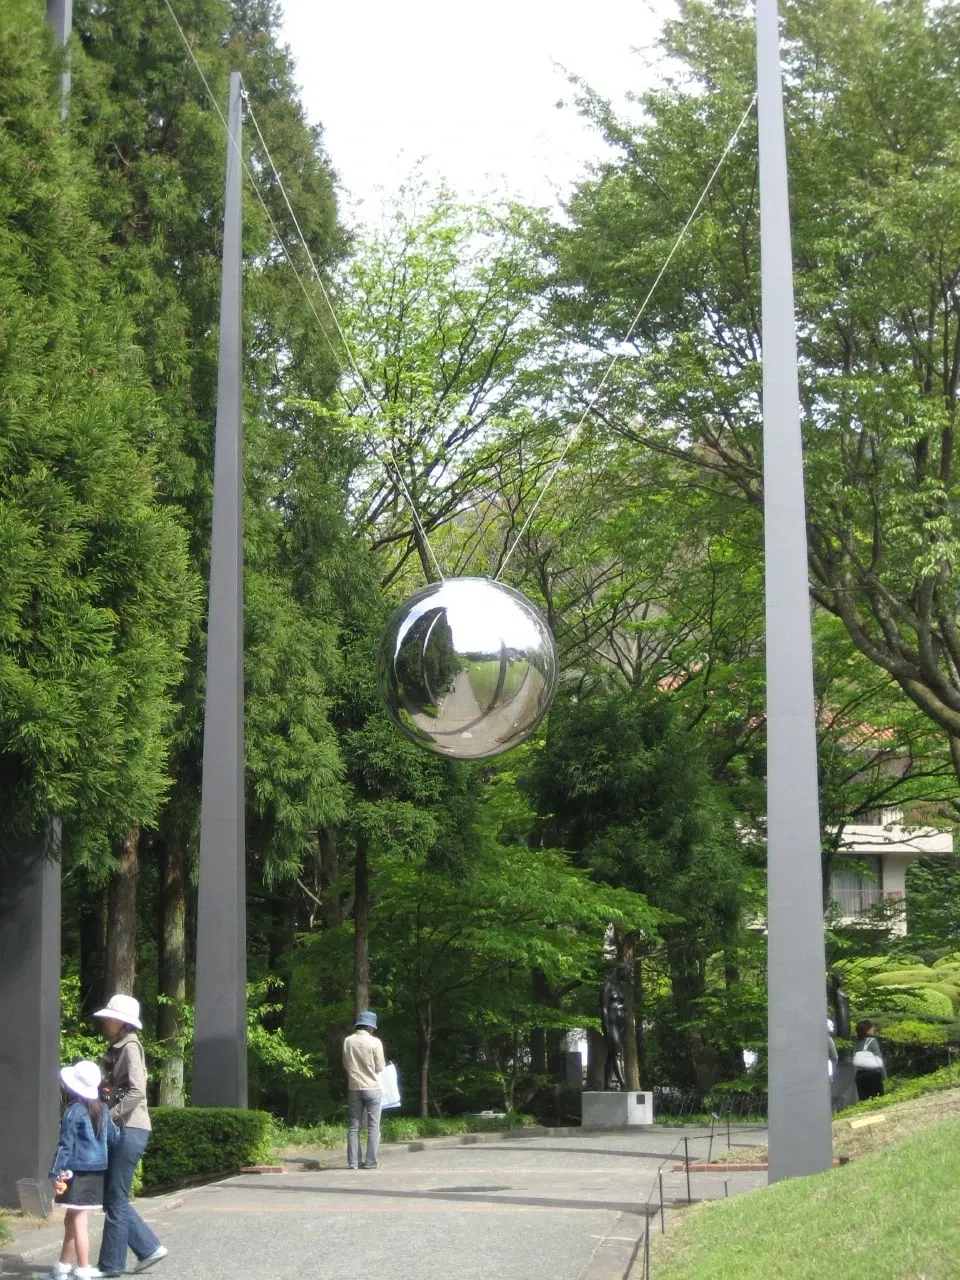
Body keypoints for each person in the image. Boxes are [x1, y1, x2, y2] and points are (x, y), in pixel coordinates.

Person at [94, 994, 168, 1276]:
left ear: (122, 1022)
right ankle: (149, 1248)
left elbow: (137, 1091)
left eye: (109, 1017)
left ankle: (111, 1265)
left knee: (115, 1197)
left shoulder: (130, 1047)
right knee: (113, 1196)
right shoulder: (119, 1046)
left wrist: (108, 1116)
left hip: (130, 1128)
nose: (105, 1021)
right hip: (126, 1128)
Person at [48, 1060, 119, 1280]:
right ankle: (62, 1267)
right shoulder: (103, 1109)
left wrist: (54, 1173)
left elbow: (65, 1146)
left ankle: (83, 1269)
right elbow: (114, 1138)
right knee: (72, 1219)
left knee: (78, 1222)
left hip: (76, 1173)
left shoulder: (74, 1111)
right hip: (97, 1173)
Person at [343, 1010, 385, 1170]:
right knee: (373, 1126)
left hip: (354, 1087)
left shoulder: (348, 1041)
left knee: (354, 1127)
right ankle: (371, 1162)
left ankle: (354, 1162)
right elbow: (379, 1067)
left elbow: (346, 1064)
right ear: (370, 1027)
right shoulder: (375, 1042)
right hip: (373, 1087)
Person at [600, 964, 632, 1091]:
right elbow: (603, 1008)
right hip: (611, 1024)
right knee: (617, 1053)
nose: (626, 977)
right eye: (625, 974)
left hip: (620, 1025)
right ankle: (623, 1084)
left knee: (611, 1054)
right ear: (619, 971)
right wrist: (606, 1027)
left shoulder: (619, 986)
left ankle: (607, 1084)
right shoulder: (606, 986)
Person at [853, 1019, 887, 1101]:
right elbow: (879, 1059)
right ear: (866, 1030)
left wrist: (855, 1076)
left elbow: (854, 1060)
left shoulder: (857, 1042)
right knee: (877, 1099)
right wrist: (884, 1076)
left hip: (859, 1075)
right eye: (871, 1027)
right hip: (873, 1075)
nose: (873, 1028)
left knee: (864, 1100)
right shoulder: (872, 1041)